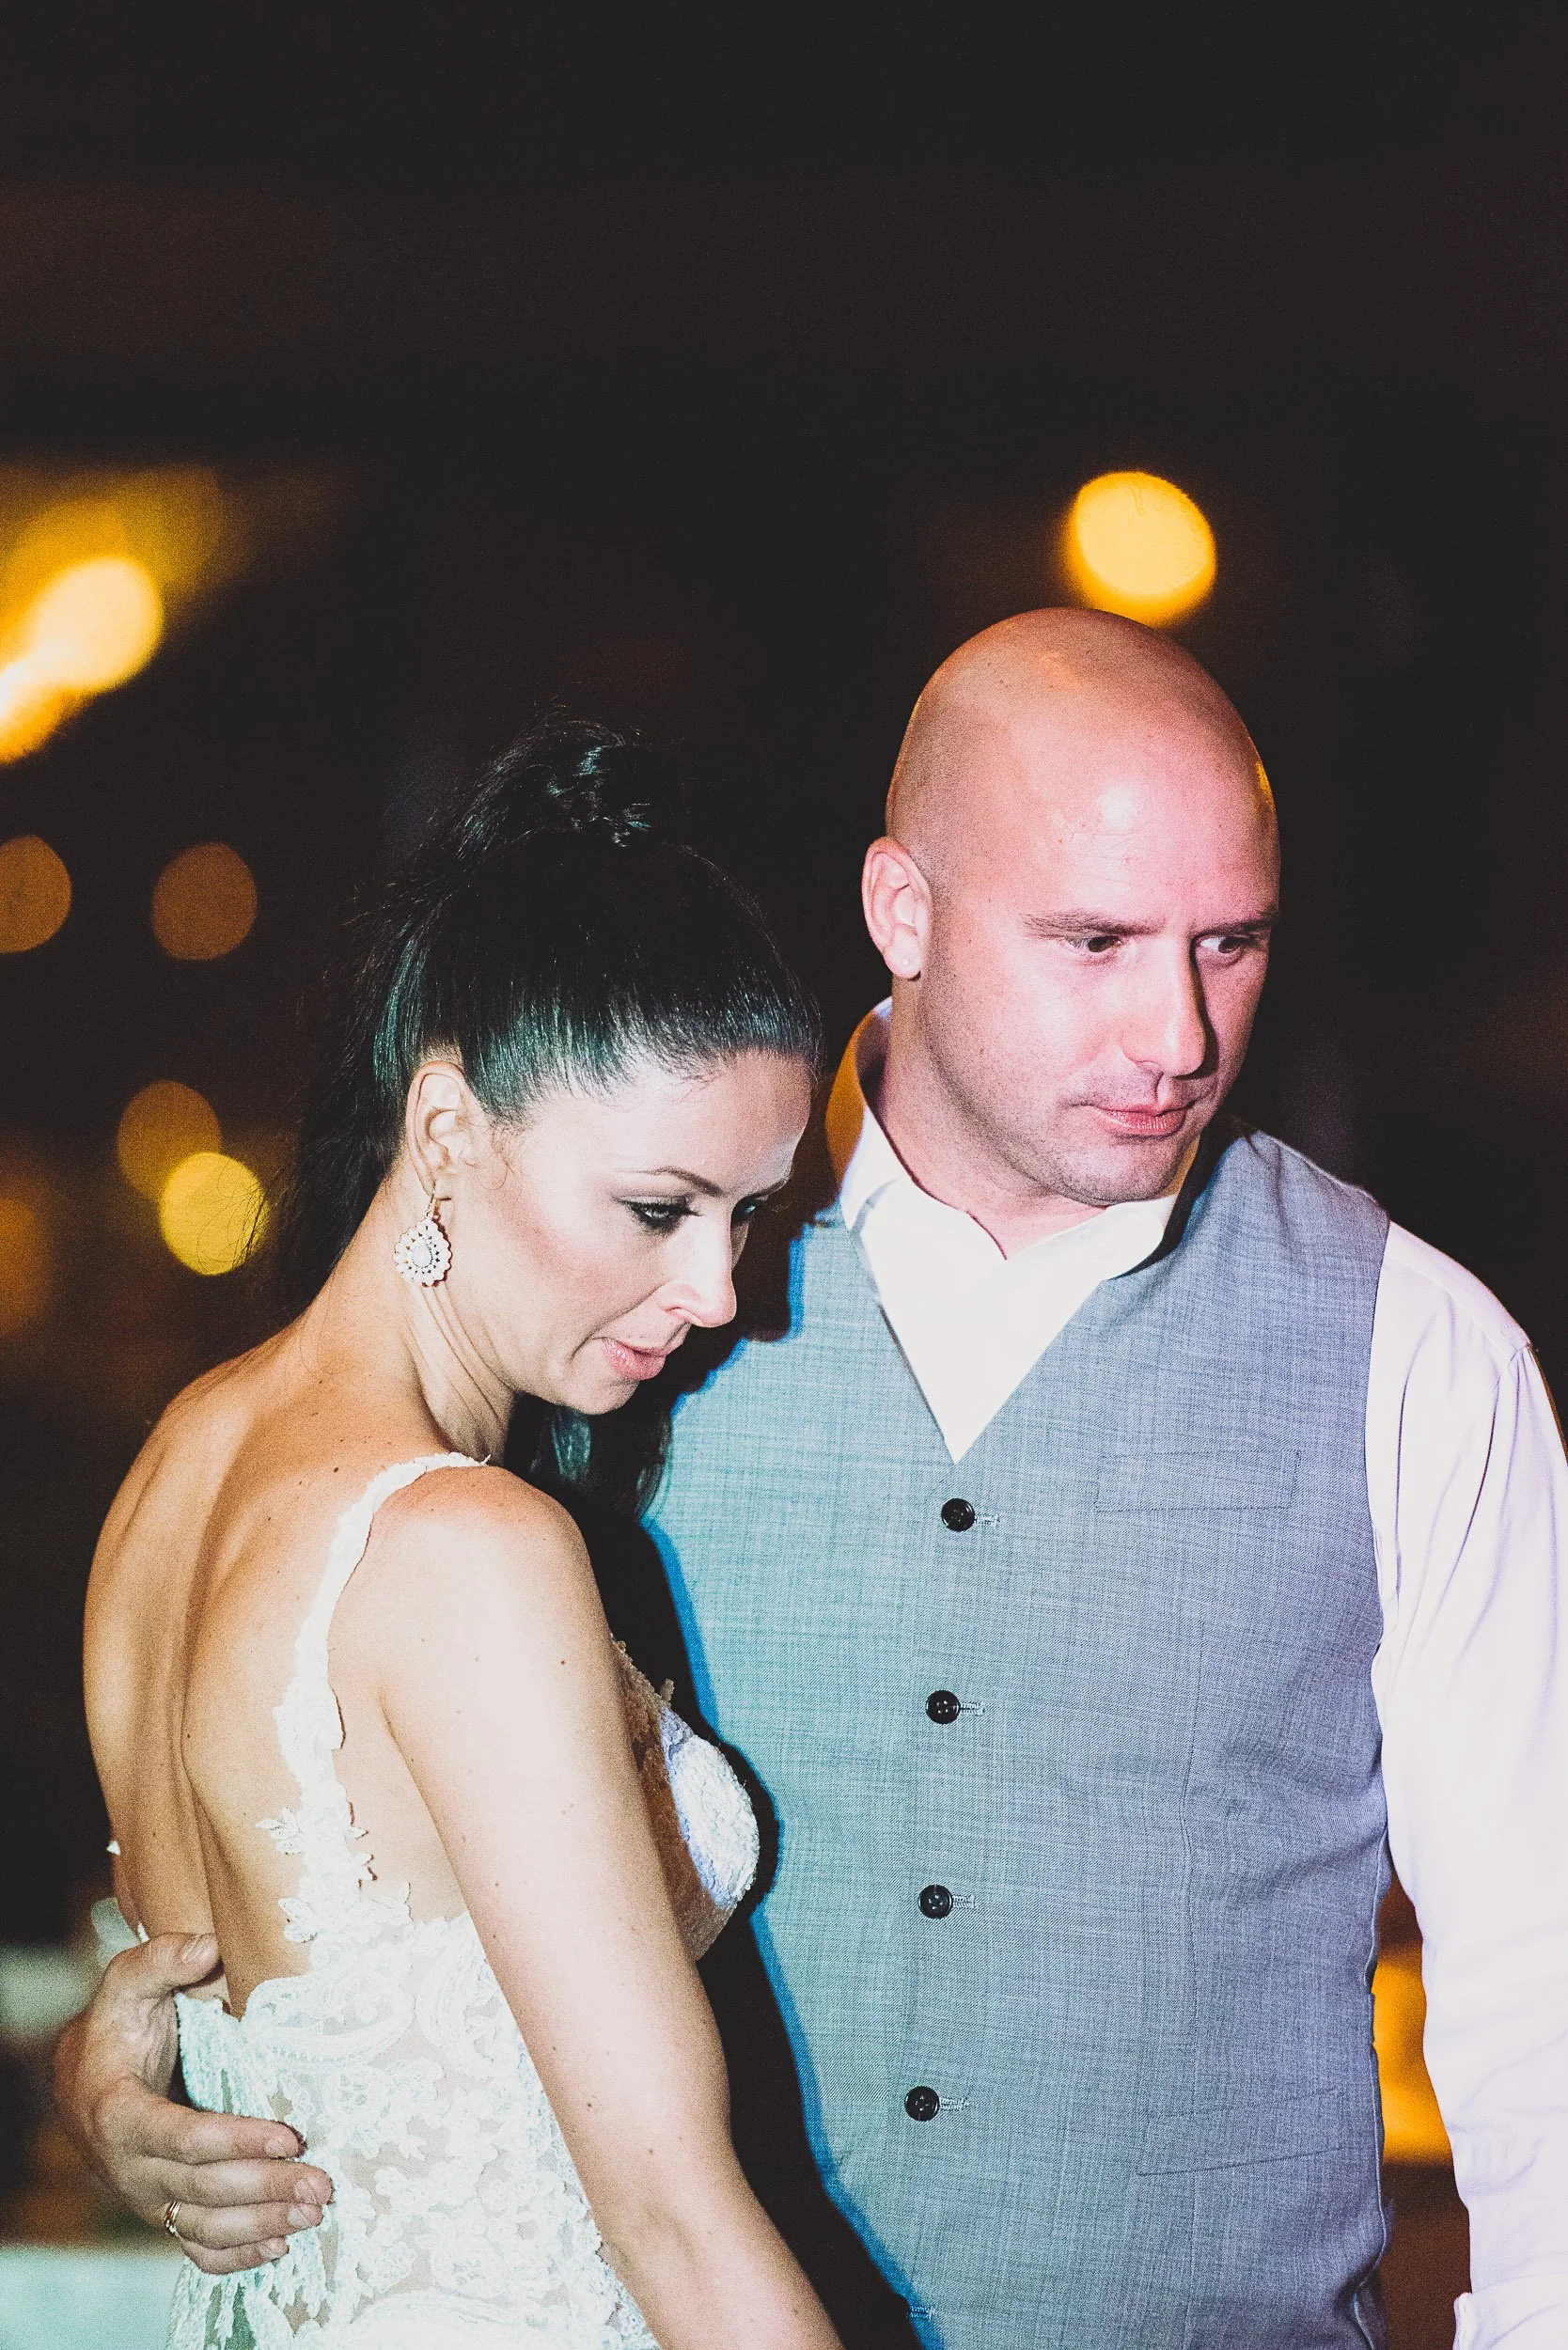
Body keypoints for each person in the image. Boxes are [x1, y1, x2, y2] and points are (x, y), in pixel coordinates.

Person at [60, 613, 1568, 2347]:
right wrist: (145, 2068)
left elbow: (1538, 1982)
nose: (1178, 1031)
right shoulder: (604, 1329)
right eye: (1095, 941)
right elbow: (312, 1800)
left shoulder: (1414, 1350)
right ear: (900, 912)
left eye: (1231, 945)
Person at [72, 723, 845, 2350]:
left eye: (751, 1215)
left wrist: (106, 2079)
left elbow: (188, 1991)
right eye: (659, 1209)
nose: (722, 1296)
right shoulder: (464, 1552)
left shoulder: (173, 1470)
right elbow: (675, 2222)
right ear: (444, 1133)